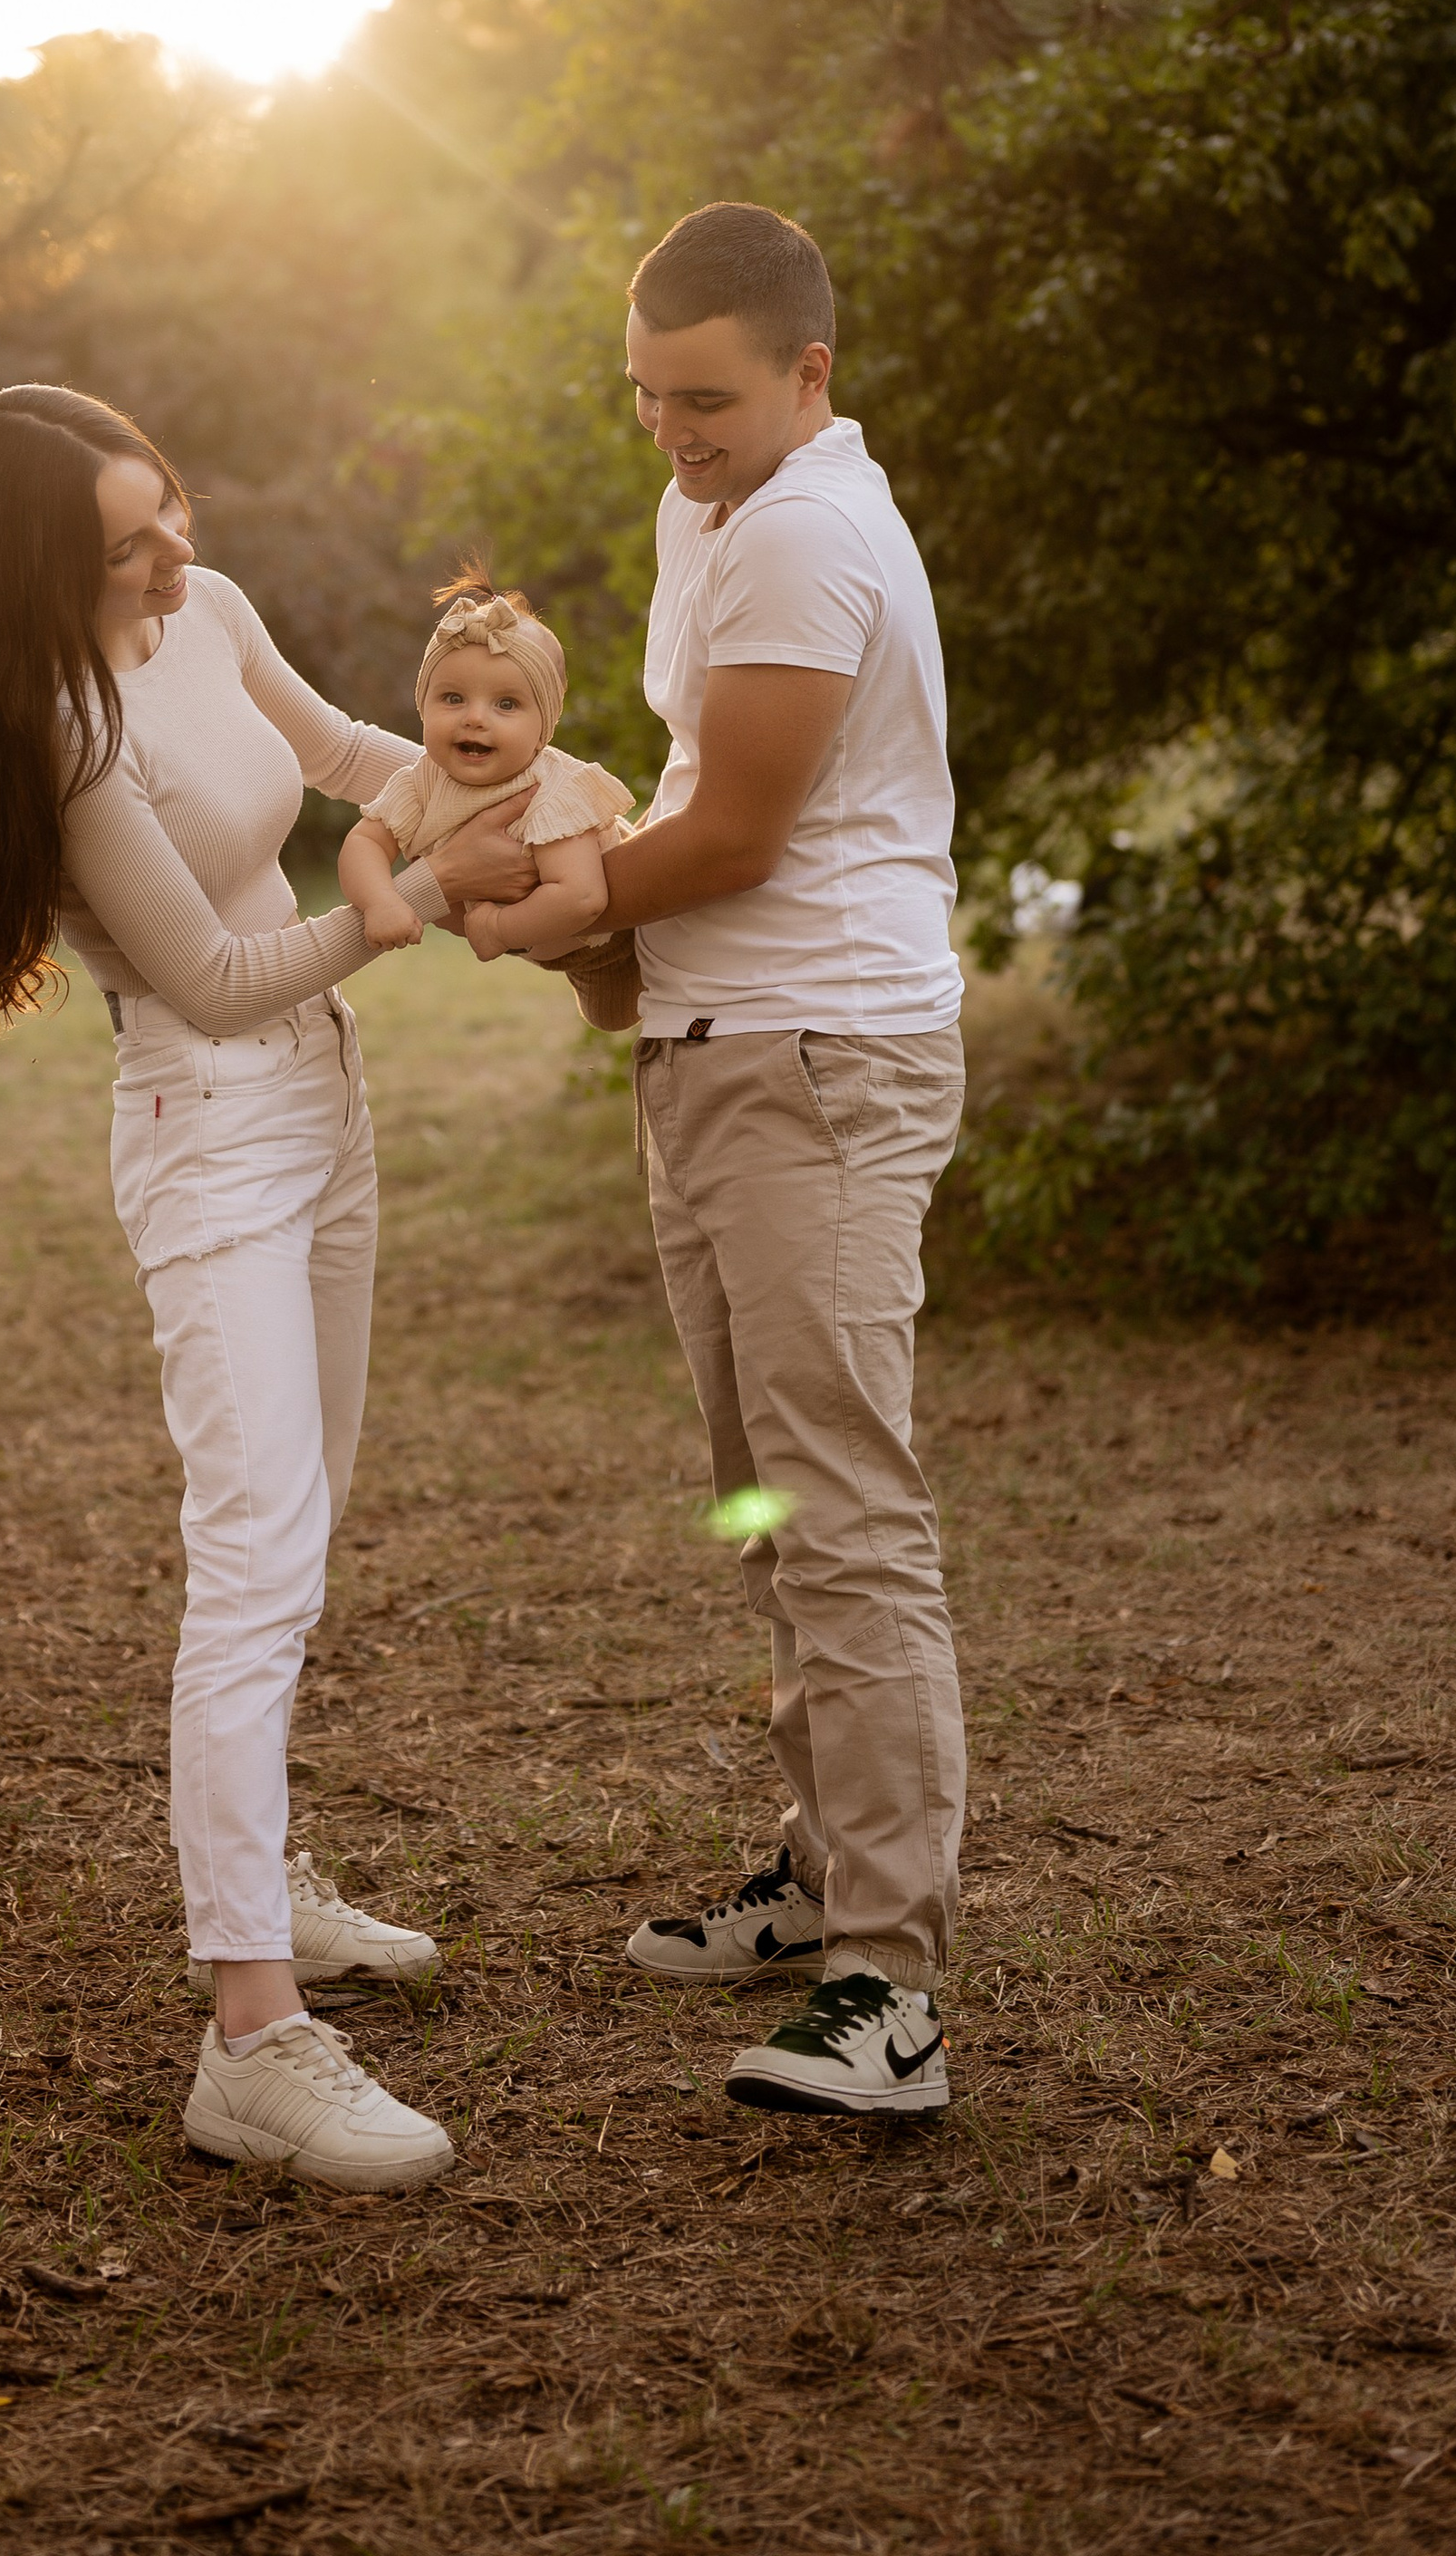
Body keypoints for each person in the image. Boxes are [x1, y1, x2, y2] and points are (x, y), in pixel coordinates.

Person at [0, 383, 535, 2192]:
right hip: (212, 1127)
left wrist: (554, 796)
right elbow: (208, 972)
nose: (175, 552)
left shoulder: (212, 609)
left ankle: (265, 1875)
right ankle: (249, 2038)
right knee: (254, 1557)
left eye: (169, 506)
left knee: (306, 1517)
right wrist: (426, 894)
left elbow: (350, 751)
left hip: (326, 1100)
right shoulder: (59, 723)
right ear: (49, 566)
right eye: (129, 543)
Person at [582, 206, 968, 2118]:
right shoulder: (718, 507)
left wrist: (552, 900)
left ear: (809, 374)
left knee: (841, 1509)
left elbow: (733, 833)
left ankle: (891, 1988)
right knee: (765, 1497)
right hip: (716, 1050)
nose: (672, 432)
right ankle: (821, 1879)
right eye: (646, 396)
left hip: (819, 1058)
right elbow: (688, 785)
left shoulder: (811, 528)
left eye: (707, 400)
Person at [337, 571, 634, 966]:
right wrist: (380, 900)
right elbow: (364, 843)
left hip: (618, 939)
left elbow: (583, 897)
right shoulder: (421, 782)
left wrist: (497, 929)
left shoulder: (550, 788)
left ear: (544, 726)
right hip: (552, 950)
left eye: (506, 704)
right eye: (453, 698)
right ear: (422, 705)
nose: (474, 718)